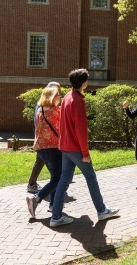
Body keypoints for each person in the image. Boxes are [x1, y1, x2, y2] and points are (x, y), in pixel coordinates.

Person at [50, 69, 119, 227]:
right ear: (83, 82)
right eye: (87, 80)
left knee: (64, 181)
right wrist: (85, 153)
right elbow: (80, 130)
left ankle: (56, 216)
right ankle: (102, 211)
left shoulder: (67, 96)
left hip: (65, 147)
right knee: (91, 178)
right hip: (75, 148)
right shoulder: (78, 100)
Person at [26, 87, 62, 217]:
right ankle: (36, 198)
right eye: (57, 95)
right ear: (52, 97)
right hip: (52, 148)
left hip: (41, 149)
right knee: (58, 178)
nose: (59, 97)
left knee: (55, 177)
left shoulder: (39, 110)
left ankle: (53, 204)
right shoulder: (56, 111)